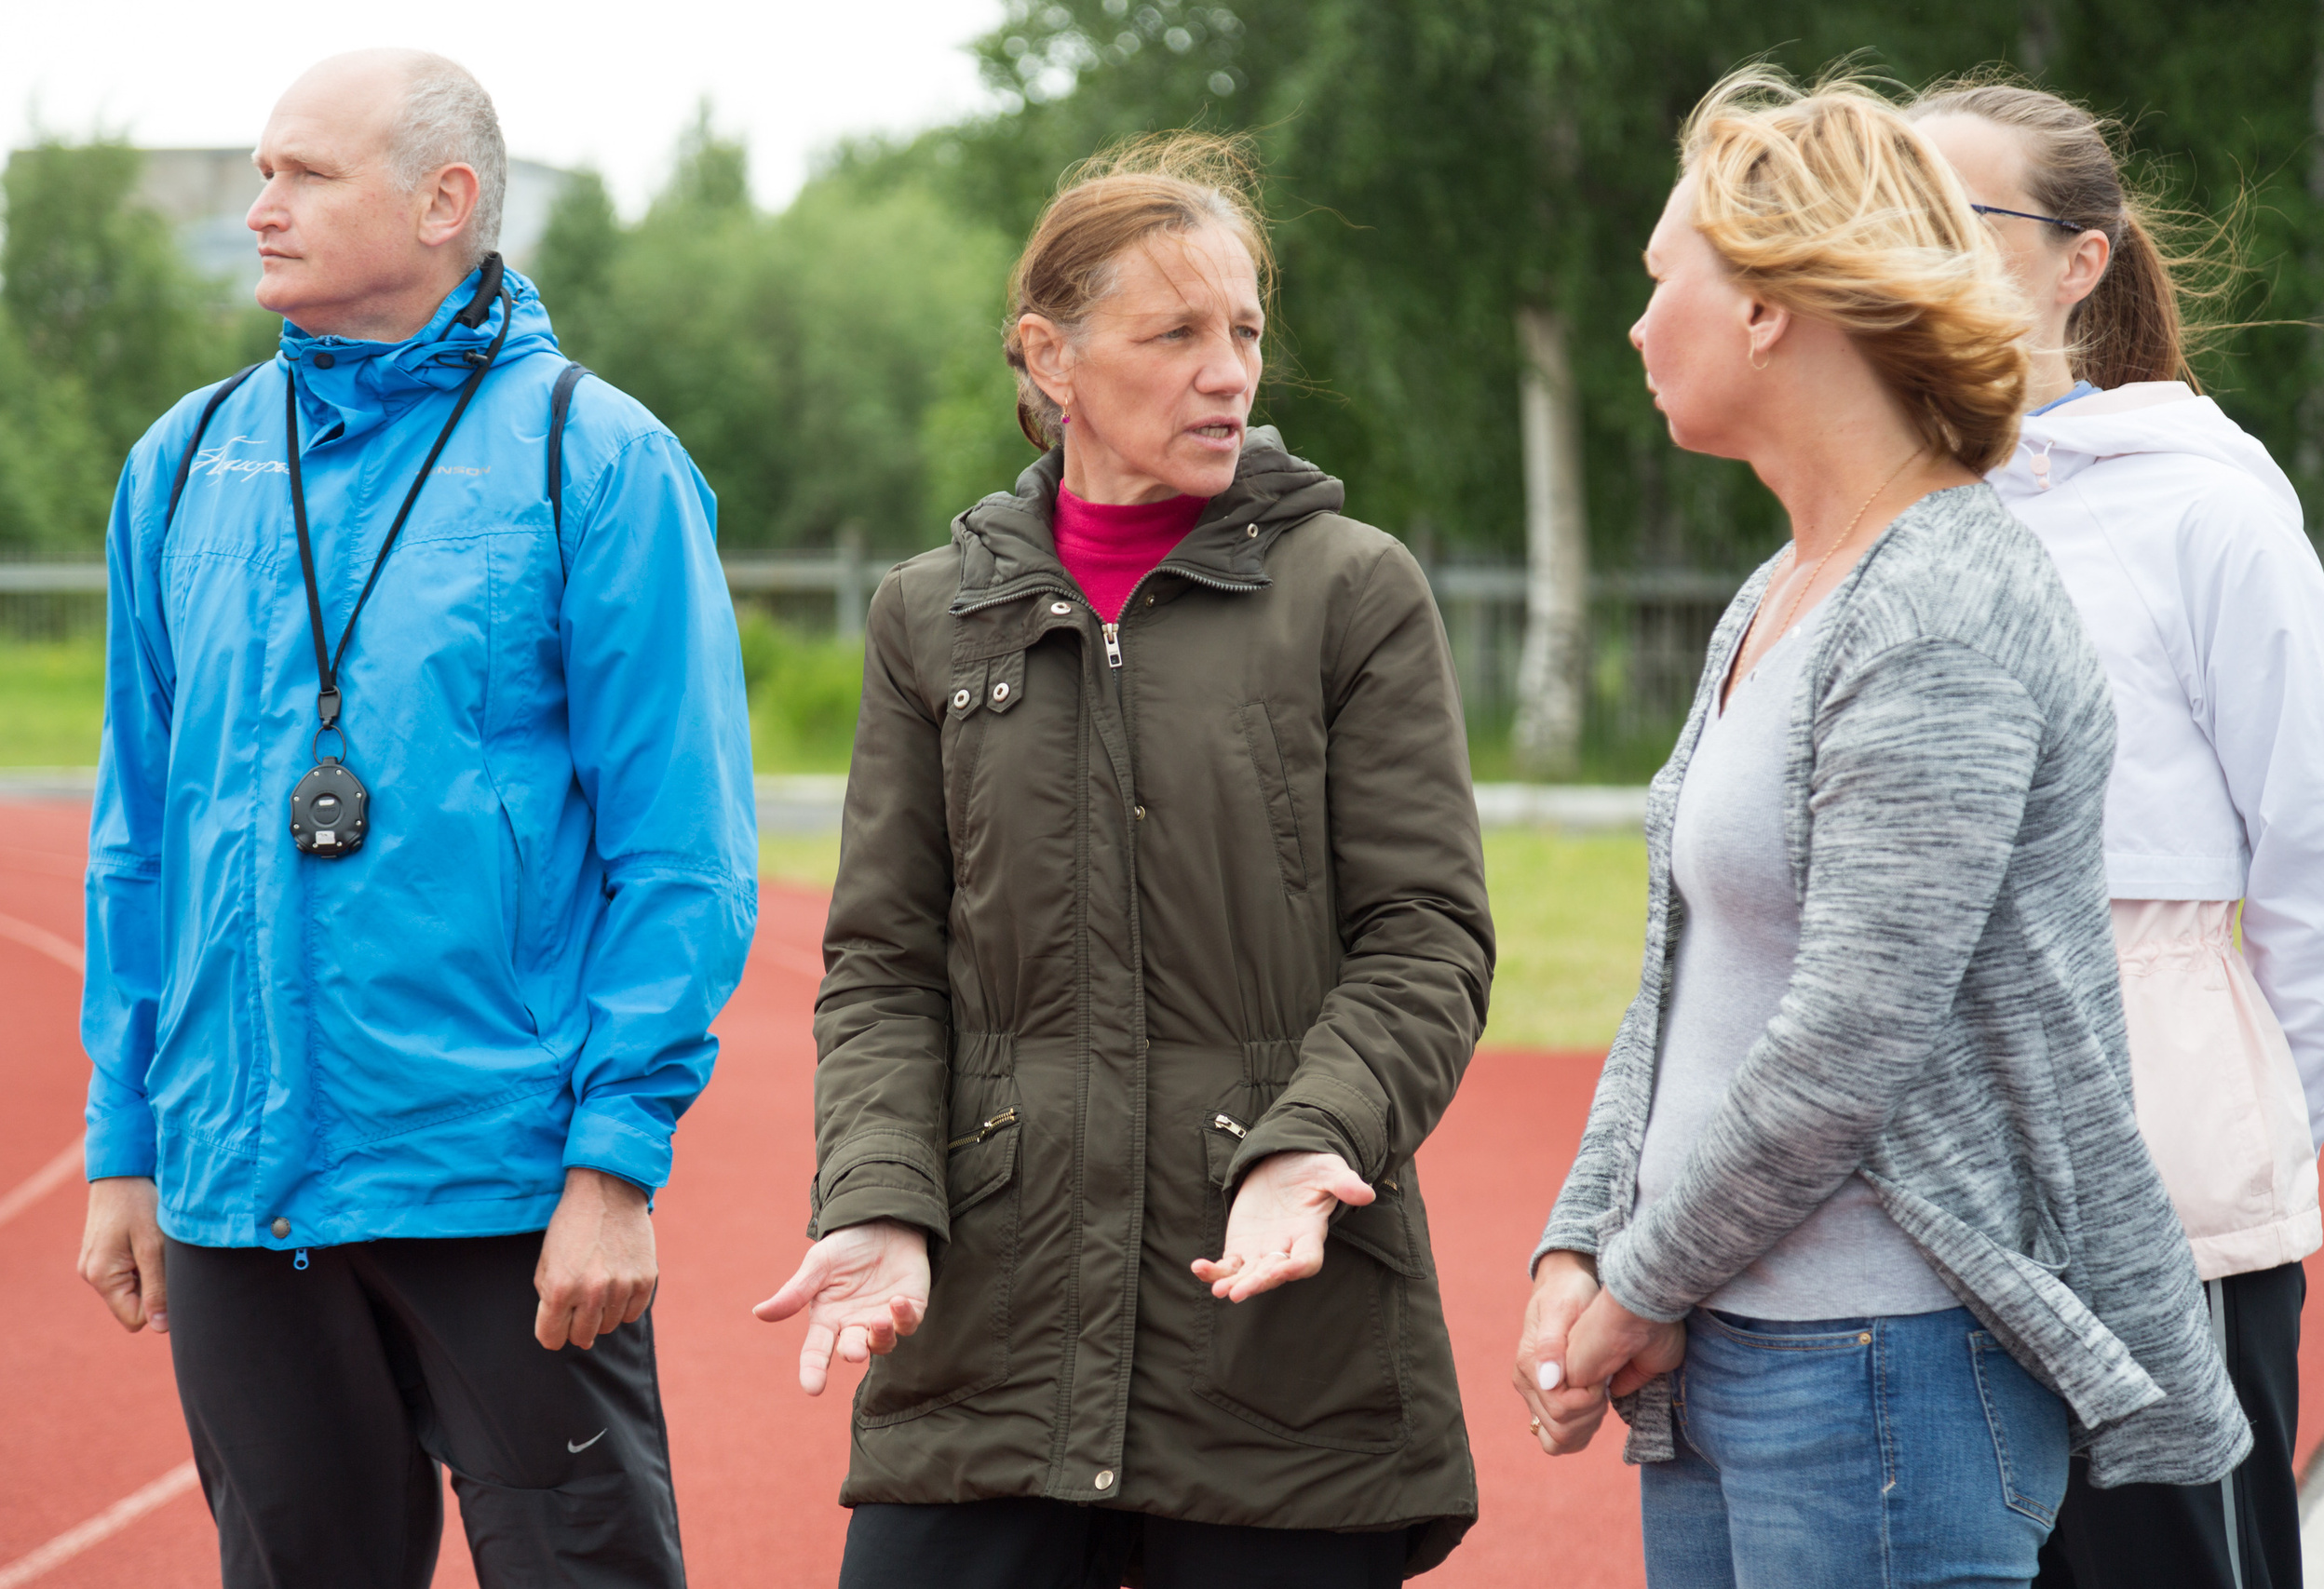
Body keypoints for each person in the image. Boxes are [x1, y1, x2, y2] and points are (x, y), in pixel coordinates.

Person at [1515, 68, 2250, 1588]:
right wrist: (1579, 1242)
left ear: (1774, 307)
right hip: (1731, 1343)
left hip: (1884, 1366)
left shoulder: (1943, 606)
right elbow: (1679, 970)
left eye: (1664, 284)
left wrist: (1637, 1285)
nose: (1639, 331)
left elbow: (1854, 1030)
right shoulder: (1778, 590)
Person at [750, 133, 1493, 1588]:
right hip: (990, 1333)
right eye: (1178, 333)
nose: (1229, 371)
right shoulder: (928, 617)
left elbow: (1427, 938)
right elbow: (886, 968)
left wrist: (1311, 1140)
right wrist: (883, 1200)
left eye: (1248, 332)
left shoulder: (1355, 592)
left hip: (1276, 1334)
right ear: (1053, 355)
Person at [74, 49, 753, 1587]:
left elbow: (683, 854)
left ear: (447, 201)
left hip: (500, 1186)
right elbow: (140, 845)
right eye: (261, 171)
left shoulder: (601, 458)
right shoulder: (180, 465)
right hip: (241, 1188)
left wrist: (614, 1163)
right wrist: (127, 1142)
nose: (260, 208)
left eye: (306, 175)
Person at [1914, 81, 2324, 1589]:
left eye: (1959, 219)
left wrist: (2280, 1145)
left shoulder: (2207, 510)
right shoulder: (1874, 501)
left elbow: (2310, 854)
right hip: (1918, 1193)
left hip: (2165, 1177)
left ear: (2080, 261)